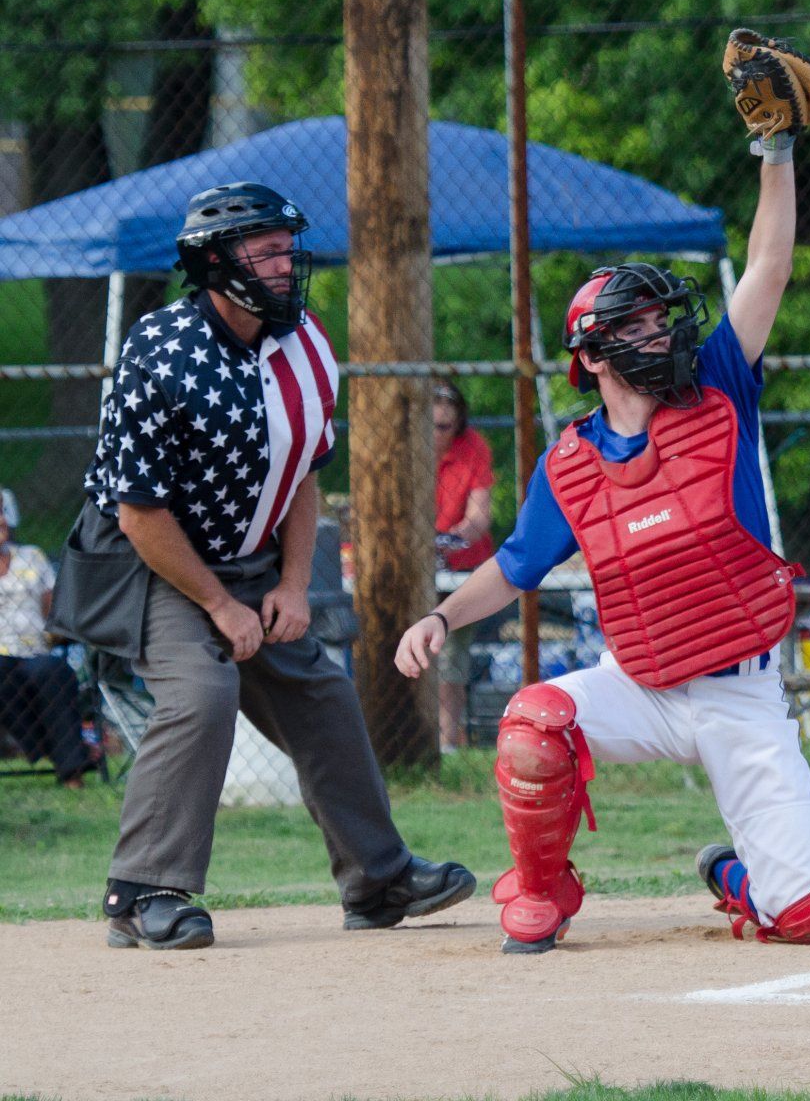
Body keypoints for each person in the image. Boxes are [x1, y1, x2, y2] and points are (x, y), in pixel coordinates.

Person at [396, 28, 810, 955]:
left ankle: (737, 874)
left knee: (806, 921)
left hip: (740, 689)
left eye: (660, 315)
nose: (660, 330)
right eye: (634, 323)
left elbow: (768, 267)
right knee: (533, 721)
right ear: (592, 357)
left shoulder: (717, 386)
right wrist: (442, 616)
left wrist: (776, 151)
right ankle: (544, 885)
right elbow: (514, 566)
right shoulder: (571, 460)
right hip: (640, 683)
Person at [51, 181, 475, 951]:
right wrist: (220, 605)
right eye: (268, 249)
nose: (288, 263)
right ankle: (141, 890)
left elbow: (305, 472)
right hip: (144, 562)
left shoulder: (305, 342)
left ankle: (377, 880)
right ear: (216, 260)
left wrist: (289, 584)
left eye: (288, 247)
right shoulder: (163, 348)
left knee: (321, 693)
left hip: (251, 559)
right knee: (204, 689)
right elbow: (140, 512)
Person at [0, 488, 95, 788]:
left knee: (53, 672)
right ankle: (59, 752)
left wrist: (64, 629)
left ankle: (70, 774)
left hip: (36, 654)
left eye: (1, 513)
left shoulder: (31, 557)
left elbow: (54, 615)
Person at [430, 380, 496, 748]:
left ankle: (447, 742)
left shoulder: (472, 447)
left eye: (445, 425)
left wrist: (443, 542)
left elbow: (478, 519)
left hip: (461, 567)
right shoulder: (406, 445)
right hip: (415, 567)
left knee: (450, 654)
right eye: (431, 421)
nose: (438, 430)